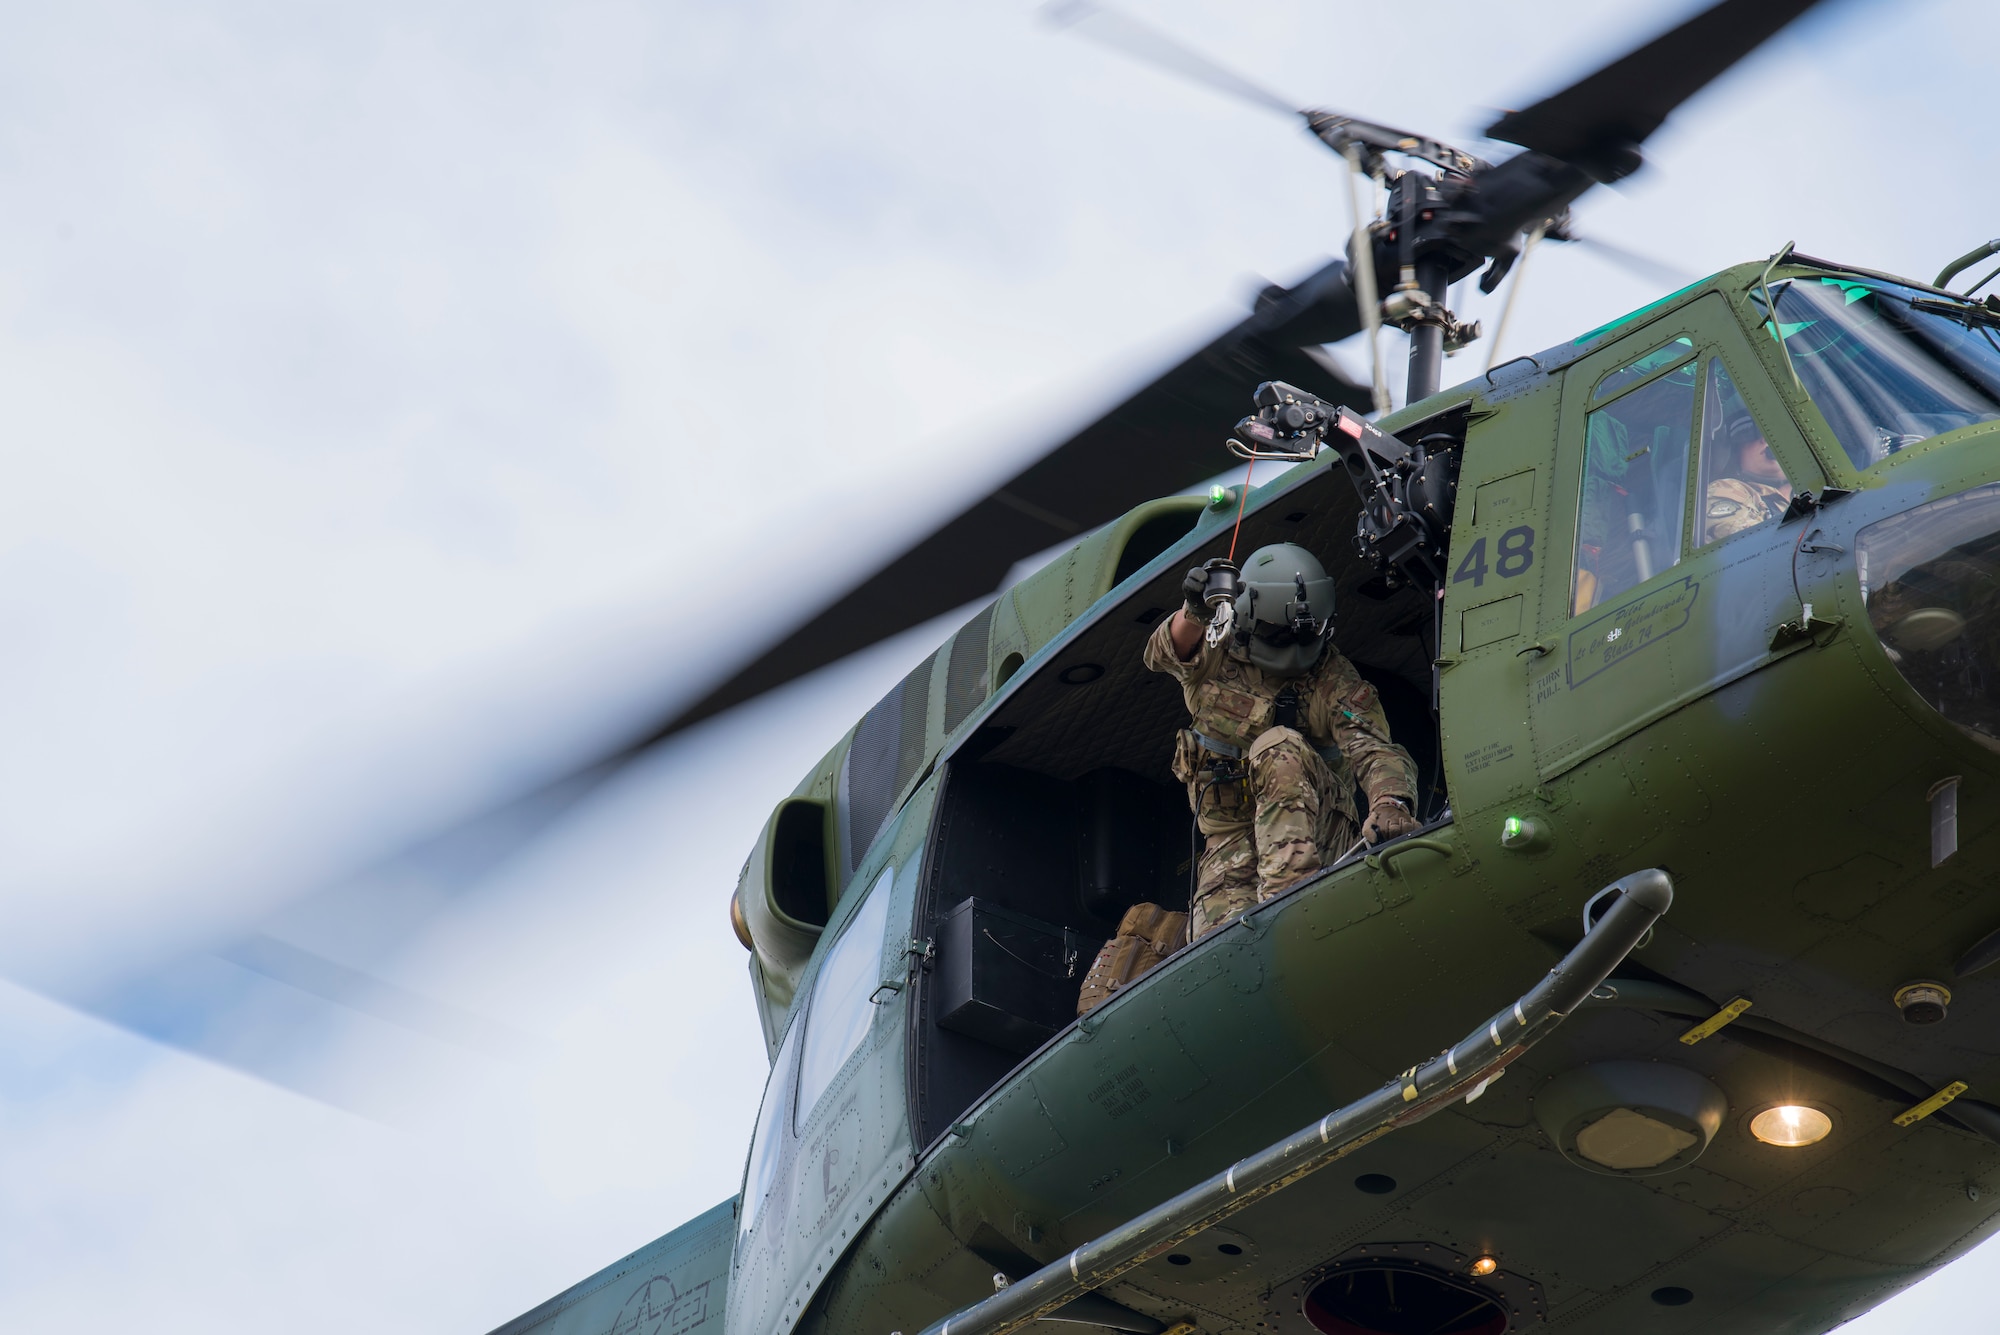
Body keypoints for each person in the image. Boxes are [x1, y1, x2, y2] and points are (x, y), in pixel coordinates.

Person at [1145, 542, 1419, 940]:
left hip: (1319, 832)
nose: (1293, 646)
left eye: (1305, 635)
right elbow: (1163, 654)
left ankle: (1290, 899)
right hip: (1231, 835)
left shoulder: (1334, 678)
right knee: (1220, 947)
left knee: (1276, 745)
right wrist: (1194, 613)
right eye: (1278, 634)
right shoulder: (1217, 648)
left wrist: (1390, 803)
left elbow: (1375, 750)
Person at [1704, 417, 1792, 543]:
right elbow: (1752, 543)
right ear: (1735, 453)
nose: (1766, 439)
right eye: (1751, 435)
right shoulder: (1726, 489)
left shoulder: (1815, 492)